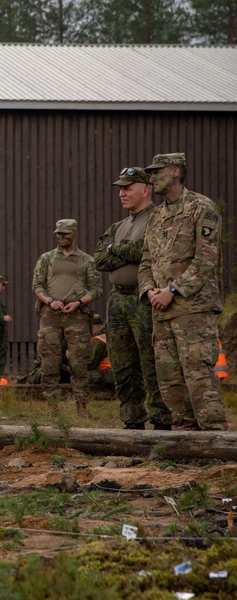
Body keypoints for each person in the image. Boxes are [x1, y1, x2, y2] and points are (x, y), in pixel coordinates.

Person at [139, 152, 228, 431]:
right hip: (161, 312)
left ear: (176, 171)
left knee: (198, 375)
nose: (152, 178)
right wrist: (149, 291)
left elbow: (205, 260)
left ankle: (215, 441)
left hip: (193, 310)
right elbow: (145, 261)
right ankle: (185, 443)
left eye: (158, 172)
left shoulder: (202, 207)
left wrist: (173, 290)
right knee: (170, 381)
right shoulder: (156, 216)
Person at [94, 166, 171, 431]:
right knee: (122, 364)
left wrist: (115, 249)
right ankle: (132, 420)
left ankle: (162, 420)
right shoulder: (119, 225)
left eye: (128, 188)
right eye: (120, 189)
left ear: (145, 190)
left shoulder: (157, 218)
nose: (122, 193)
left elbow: (145, 249)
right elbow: (99, 259)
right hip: (117, 301)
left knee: (151, 361)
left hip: (144, 298)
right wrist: (121, 251)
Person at [32, 218, 103, 419]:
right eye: (59, 234)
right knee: (49, 360)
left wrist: (79, 302)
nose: (61, 237)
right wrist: (49, 301)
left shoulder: (87, 260)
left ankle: (81, 406)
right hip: (50, 315)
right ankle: (51, 405)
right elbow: (37, 286)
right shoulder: (46, 258)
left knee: (79, 362)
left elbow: (97, 289)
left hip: (77, 316)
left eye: (65, 234)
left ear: (74, 234)